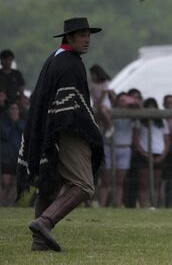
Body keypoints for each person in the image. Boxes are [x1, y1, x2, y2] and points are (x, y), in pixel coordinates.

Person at [16, 17, 104, 252]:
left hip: (48, 129)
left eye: (88, 35)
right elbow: (69, 106)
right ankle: (44, 221)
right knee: (84, 186)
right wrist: (87, 126)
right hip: (65, 130)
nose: (87, 40)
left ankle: (39, 241)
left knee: (50, 183)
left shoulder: (54, 59)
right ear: (70, 37)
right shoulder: (71, 63)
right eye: (82, 35)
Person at [98, 93, 139, 207]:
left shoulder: (132, 113)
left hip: (124, 148)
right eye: (121, 100)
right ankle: (102, 206)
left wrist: (134, 102)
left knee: (119, 182)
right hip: (109, 147)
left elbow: (139, 108)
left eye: (125, 100)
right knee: (106, 181)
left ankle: (117, 205)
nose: (123, 102)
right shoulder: (109, 111)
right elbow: (100, 108)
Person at [133, 98, 169, 208]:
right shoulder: (139, 121)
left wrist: (162, 155)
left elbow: (167, 141)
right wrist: (143, 153)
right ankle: (144, 206)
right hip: (144, 153)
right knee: (143, 183)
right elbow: (136, 139)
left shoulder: (163, 121)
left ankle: (155, 205)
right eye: (148, 105)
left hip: (158, 153)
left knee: (156, 183)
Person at [1, 102, 25, 206]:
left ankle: (10, 205)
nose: (14, 111)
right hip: (6, 158)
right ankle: (2, 205)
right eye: (12, 109)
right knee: (5, 184)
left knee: (16, 184)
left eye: (16, 109)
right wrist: (13, 123)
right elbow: (5, 134)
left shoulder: (22, 123)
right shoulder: (3, 123)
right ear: (8, 111)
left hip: (18, 157)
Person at [89, 64, 114, 135]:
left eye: (92, 74)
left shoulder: (105, 83)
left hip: (104, 102)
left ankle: (110, 125)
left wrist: (97, 105)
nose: (91, 76)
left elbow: (102, 96)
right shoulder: (91, 83)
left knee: (102, 110)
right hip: (95, 103)